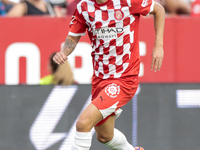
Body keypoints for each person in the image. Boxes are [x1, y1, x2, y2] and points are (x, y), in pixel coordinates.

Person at [53, 0, 165, 149]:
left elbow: (159, 9)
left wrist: (158, 45)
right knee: (104, 135)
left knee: (83, 123)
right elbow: (73, 37)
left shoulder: (128, 2)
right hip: (100, 79)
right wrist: (63, 53)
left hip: (124, 78)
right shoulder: (84, 7)